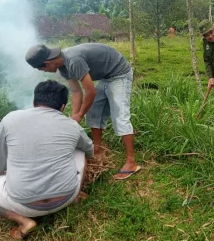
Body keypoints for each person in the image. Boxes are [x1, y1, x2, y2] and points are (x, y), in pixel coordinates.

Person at [0, 80, 94, 239]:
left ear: (34, 102)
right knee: (81, 151)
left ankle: (24, 221)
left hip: (23, 204)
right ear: (62, 107)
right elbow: (90, 150)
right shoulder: (72, 125)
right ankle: (76, 196)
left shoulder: (10, 119)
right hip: (65, 197)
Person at [25, 43, 140, 180]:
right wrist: (75, 117)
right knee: (93, 112)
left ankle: (131, 162)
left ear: (47, 63)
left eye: (41, 69)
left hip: (119, 73)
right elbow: (76, 91)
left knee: (120, 116)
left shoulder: (74, 61)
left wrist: (80, 114)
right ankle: (97, 149)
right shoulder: (63, 67)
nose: (43, 72)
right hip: (105, 76)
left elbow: (90, 91)